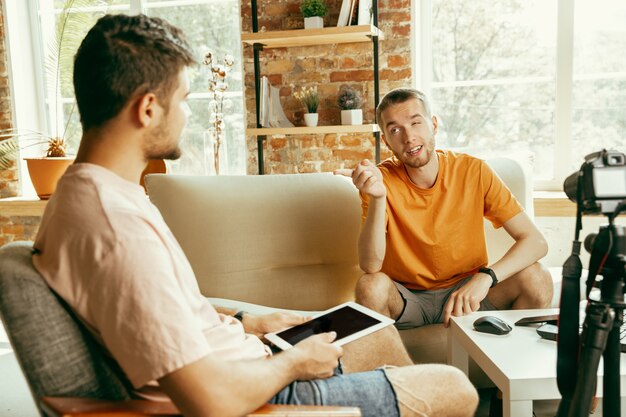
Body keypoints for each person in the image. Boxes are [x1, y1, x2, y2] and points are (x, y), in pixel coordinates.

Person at [32, 15, 478, 417]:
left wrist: (250, 320)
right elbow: (208, 400)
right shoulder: (114, 226)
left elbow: (157, 304)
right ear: (148, 109)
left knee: (373, 333)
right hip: (252, 390)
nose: (188, 114)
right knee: (453, 387)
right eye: (184, 99)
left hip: (245, 356)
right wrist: (293, 363)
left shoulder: (95, 194)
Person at [335, 88, 553, 329]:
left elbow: (536, 242)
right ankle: (394, 367)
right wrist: (377, 198)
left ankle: (508, 364)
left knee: (538, 278)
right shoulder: (380, 181)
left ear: (434, 125)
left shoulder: (474, 171)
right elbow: (371, 266)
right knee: (370, 285)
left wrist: (486, 277)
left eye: (416, 123)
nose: (408, 137)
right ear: (386, 141)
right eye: (395, 129)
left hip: (468, 294)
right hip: (408, 299)